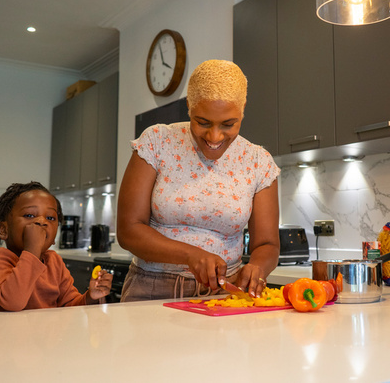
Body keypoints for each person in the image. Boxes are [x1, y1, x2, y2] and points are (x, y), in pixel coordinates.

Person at [118, 59, 281, 301]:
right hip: (152, 289)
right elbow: (128, 230)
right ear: (189, 106)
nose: (214, 136)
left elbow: (267, 245)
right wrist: (190, 255)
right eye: (202, 122)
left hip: (225, 293)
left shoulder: (259, 162)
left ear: (243, 108)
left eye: (228, 124)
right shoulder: (156, 142)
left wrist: (257, 267)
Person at [0, 181, 113, 312]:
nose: (42, 222)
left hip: (45, 334)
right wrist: (32, 251)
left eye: (50, 218)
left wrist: (91, 296)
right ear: (4, 230)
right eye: (30, 215)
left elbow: (70, 305)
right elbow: (13, 302)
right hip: (3, 333)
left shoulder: (54, 262)